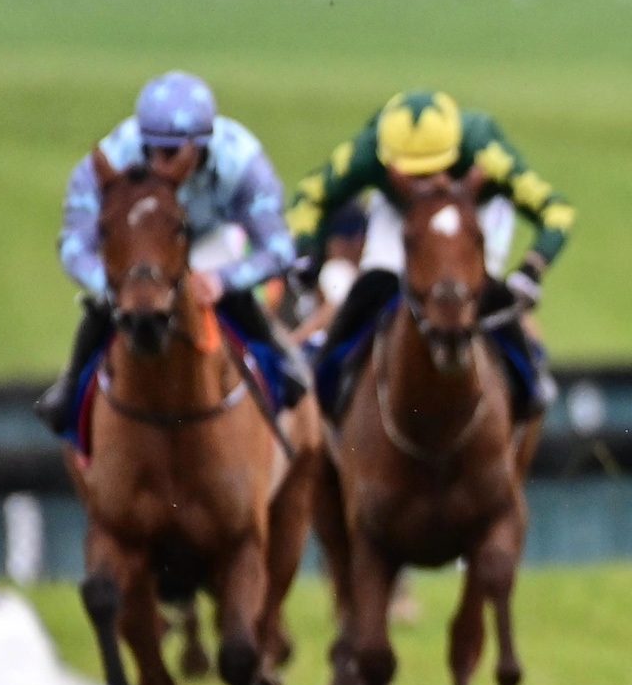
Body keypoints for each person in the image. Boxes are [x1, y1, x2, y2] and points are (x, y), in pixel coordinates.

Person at [37, 71, 311, 433]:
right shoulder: (110, 160)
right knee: (106, 308)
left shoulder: (244, 163)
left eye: (170, 153)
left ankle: (288, 372)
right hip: (144, 247)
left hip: (211, 241)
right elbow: (74, 246)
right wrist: (114, 283)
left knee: (243, 304)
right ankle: (70, 388)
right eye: (150, 150)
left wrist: (223, 281)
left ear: (200, 146)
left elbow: (278, 249)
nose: (158, 163)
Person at [285, 90, 574, 418]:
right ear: (389, 161)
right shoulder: (367, 151)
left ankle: (529, 379)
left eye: (433, 170)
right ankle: (328, 378)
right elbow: (310, 196)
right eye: (413, 174)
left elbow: (556, 213)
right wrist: (305, 251)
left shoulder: (486, 149)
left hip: (474, 211)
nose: (424, 184)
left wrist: (532, 268)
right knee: (372, 285)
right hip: (402, 214)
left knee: (480, 288)